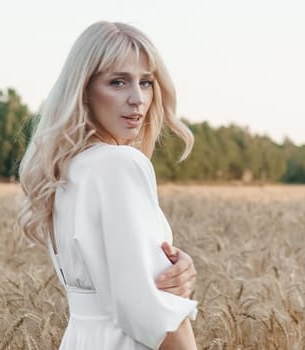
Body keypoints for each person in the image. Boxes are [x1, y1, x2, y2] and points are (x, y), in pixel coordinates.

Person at [16, 21, 199, 350]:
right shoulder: (119, 163)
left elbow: (117, 276)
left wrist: (169, 267)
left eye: (146, 82)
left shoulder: (66, 169)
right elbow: (154, 314)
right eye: (118, 82)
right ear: (84, 90)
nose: (137, 99)